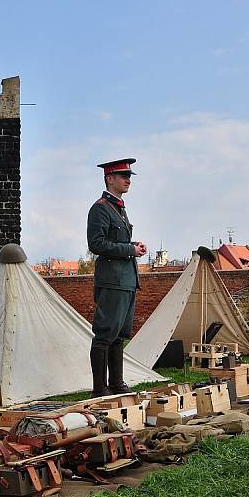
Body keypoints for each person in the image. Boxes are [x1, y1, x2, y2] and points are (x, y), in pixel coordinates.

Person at [87, 158, 147, 397]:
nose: (128, 180)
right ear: (109, 178)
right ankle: (99, 388)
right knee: (105, 334)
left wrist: (133, 246)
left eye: (129, 176)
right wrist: (130, 250)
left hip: (126, 281)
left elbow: (117, 243)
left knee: (120, 334)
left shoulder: (119, 208)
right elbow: (97, 243)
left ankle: (116, 383)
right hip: (112, 280)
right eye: (123, 176)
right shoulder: (100, 208)